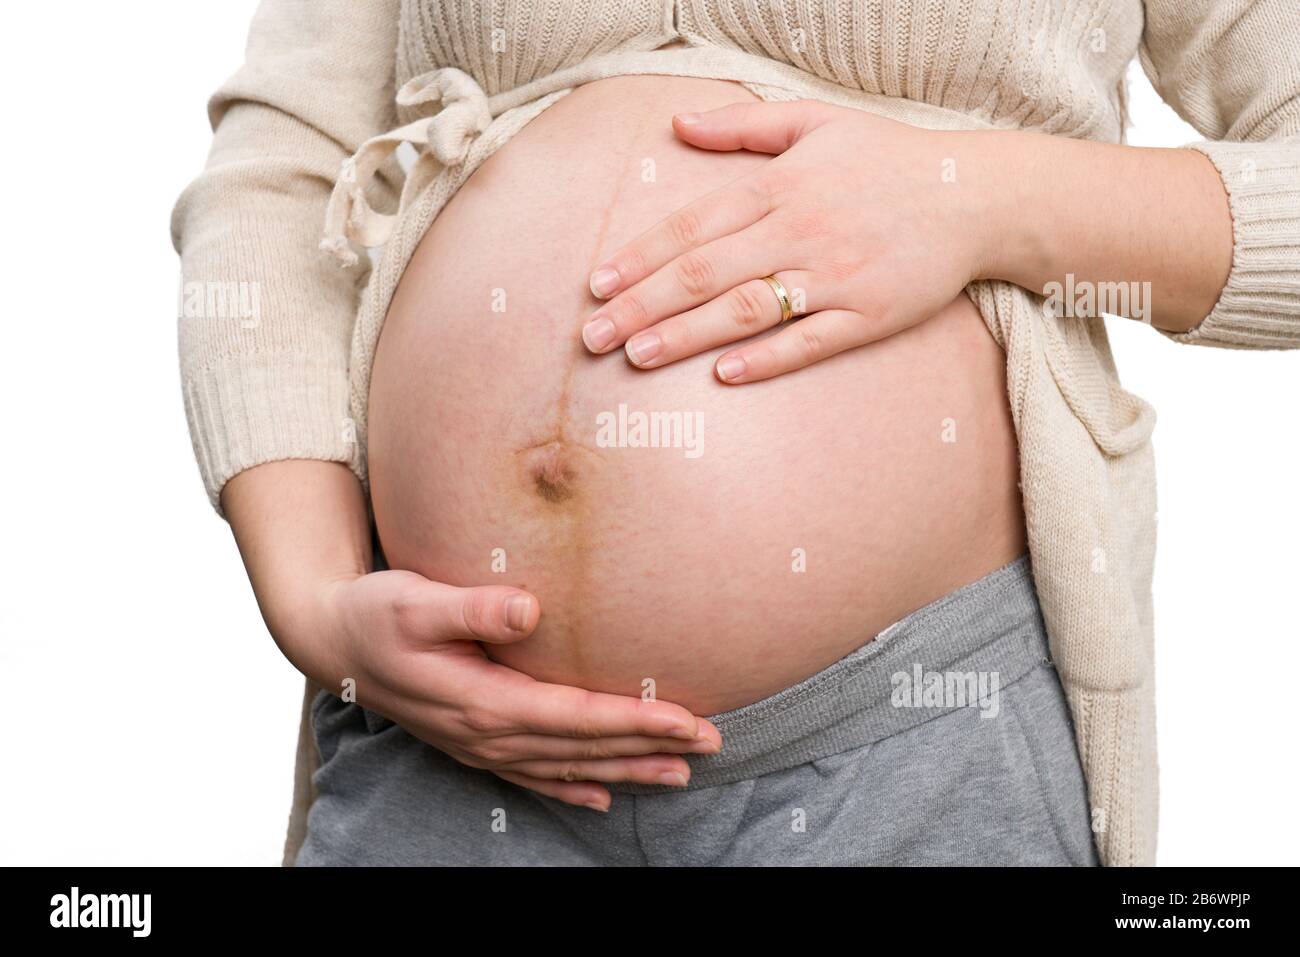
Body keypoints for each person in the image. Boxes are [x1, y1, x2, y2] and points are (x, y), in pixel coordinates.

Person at [171, 0, 1300, 866]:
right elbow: (281, 170)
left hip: (907, 747)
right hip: (442, 741)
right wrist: (314, 603)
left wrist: (979, 198)